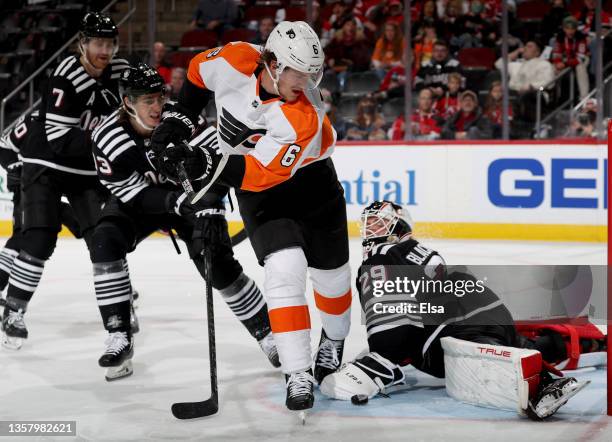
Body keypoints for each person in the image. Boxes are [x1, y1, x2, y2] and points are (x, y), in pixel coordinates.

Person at [149, 21, 352, 416]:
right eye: (300, 71)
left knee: (333, 280)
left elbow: (259, 173)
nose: (309, 81)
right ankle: (297, 372)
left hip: (313, 188)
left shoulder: (305, 116)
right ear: (272, 63)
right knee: (283, 268)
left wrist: (205, 161)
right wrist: (178, 120)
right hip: (263, 200)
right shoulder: (234, 58)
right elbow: (195, 74)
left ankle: (335, 338)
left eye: (315, 72)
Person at [89, 62, 278, 381]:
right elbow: (132, 193)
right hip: (144, 202)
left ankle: (269, 335)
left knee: (217, 261)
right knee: (105, 240)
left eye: (159, 97)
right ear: (127, 102)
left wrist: (211, 205)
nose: (156, 106)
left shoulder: (181, 119)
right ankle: (119, 334)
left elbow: (217, 165)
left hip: (191, 198)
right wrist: (174, 202)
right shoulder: (108, 138)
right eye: (146, 100)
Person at [320, 200, 590, 421]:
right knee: (522, 346)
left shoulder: (390, 253)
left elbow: (396, 330)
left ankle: (540, 386)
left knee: (489, 357)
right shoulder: (400, 255)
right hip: (474, 314)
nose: (371, 229)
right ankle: (581, 342)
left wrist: (382, 359)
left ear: (400, 226)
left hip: (461, 323)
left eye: (379, 222)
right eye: (368, 224)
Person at [0, 12, 130, 350]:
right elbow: (58, 139)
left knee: (105, 239)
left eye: (110, 43)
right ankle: (13, 309)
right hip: (46, 165)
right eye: (98, 43)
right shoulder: (65, 76)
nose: (105, 50)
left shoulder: (120, 72)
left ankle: (118, 315)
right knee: (39, 237)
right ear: (82, 45)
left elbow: (146, 101)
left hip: (85, 171)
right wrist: (112, 137)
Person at [0, 111, 82, 298]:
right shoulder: (36, 117)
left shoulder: (84, 115)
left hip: (55, 185)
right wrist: (16, 169)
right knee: (23, 235)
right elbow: (3, 145)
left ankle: (118, 282)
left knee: (93, 231)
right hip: (31, 183)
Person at [494, 40, 554, 123]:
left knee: (528, 96)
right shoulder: (517, 65)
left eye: (529, 46)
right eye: (525, 46)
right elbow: (498, 64)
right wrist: (517, 51)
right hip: (514, 93)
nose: (525, 48)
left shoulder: (544, 64)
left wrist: (531, 86)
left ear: (537, 52)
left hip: (537, 92)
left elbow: (549, 83)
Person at [552, 16, 590, 99]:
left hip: (581, 59)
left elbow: (580, 58)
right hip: (566, 59)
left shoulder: (581, 37)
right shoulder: (560, 37)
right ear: (563, 29)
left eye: (572, 29)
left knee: (580, 68)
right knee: (553, 68)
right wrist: (558, 63)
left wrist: (565, 63)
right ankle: (553, 97)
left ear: (576, 29)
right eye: (567, 28)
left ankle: (584, 98)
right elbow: (556, 54)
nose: (570, 31)